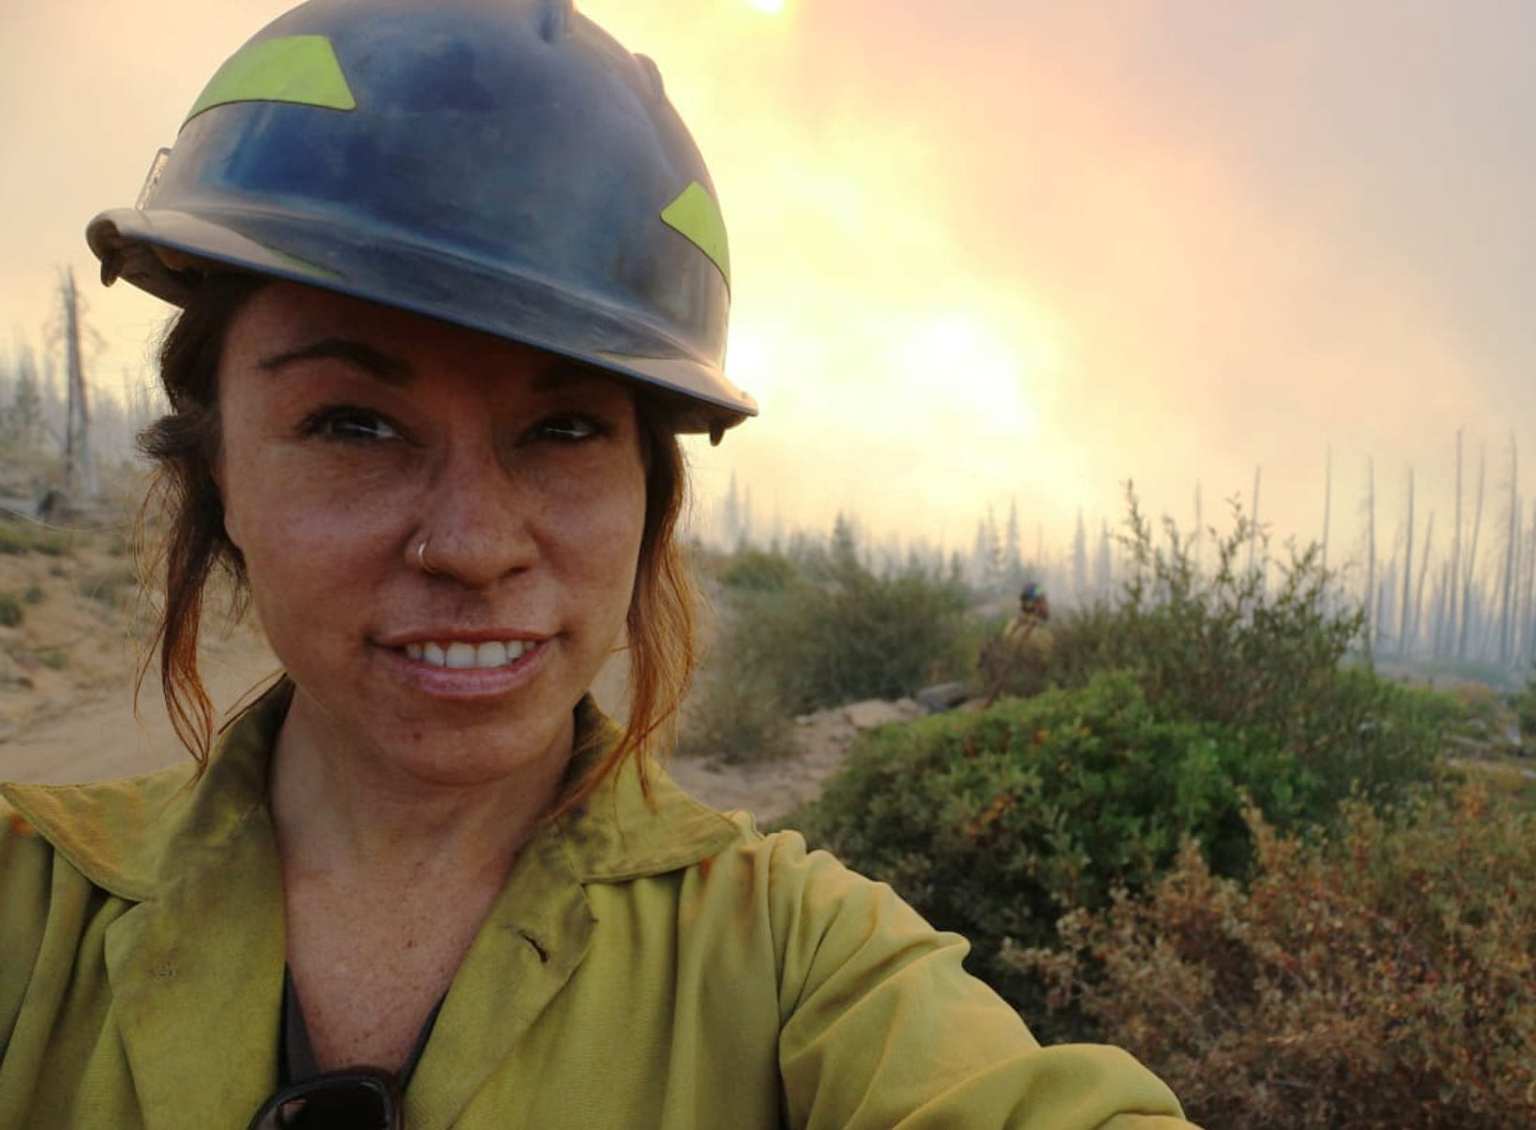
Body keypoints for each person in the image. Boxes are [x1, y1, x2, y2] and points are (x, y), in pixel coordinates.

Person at [0, 3, 1196, 1127]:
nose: (473, 546)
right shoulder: (29, 912)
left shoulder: (793, 959)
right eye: (353, 423)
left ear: (650, 498)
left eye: (564, 430)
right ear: (218, 470)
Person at [979, 581, 1057, 705]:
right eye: (1044, 601)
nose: (1048, 605)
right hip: (1033, 695)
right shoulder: (1040, 634)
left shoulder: (1011, 626)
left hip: (1007, 692)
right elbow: (1052, 666)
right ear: (1037, 605)